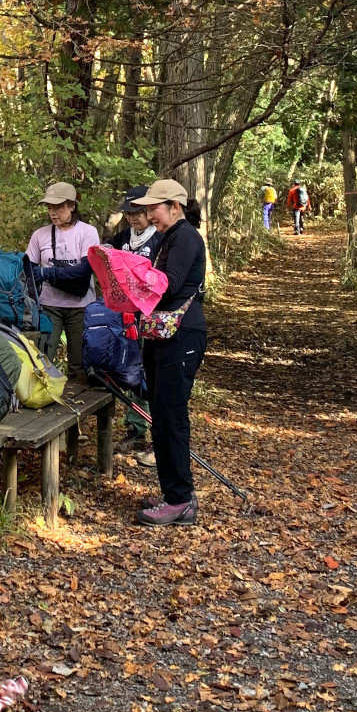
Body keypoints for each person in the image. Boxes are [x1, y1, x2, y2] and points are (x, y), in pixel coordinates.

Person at [132, 178, 207, 529]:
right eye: (146, 209)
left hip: (182, 334)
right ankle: (172, 493)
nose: (149, 215)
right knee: (161, 415)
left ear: (174, 207)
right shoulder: (169, 238)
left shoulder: (185, 236)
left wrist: (131, 276)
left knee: (171, 416)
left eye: (153, 208)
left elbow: (170, 284)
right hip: (166, 335)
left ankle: (179, 500)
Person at [25, 182, 99, 376]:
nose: (53, 212)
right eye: (49, 208)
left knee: (79, 363)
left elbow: (86, 268)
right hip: (49, 305)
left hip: (81, 306)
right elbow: (29, 270)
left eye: (57, 207)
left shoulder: (87, 232)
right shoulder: (40, 235)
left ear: (72, 206)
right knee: (44, 358)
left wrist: (49, 273)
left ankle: (79, 402)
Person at [108, 186, 155, 459]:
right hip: (124, 314)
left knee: (149, 372)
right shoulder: (124, 237)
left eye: (138, 213)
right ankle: (134, 429)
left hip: (150, 315)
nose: (133, 219)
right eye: (129, 214)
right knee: (129, 369)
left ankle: (150, 428)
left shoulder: (159, 239)